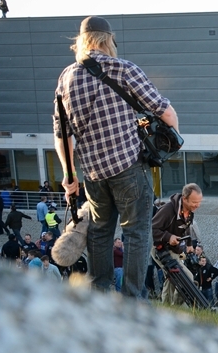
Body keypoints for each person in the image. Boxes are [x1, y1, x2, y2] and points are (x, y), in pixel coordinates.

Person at [55, 16, 179, 299]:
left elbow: (62, 135)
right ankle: (133, 301)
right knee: (136, 234)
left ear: (82, 42)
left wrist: (69, 176)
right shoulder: (123, 69)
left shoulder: (66, 78)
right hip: (129, 168)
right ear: (108, 40)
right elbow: (166, 113)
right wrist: (172, 141)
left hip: (94, 173)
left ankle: (98, 294)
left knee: (99, 232)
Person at [151, 184, 202, 304]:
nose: (197, 205)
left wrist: (189, 244)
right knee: (186, 278)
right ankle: (175, 307)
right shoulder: (168, 210)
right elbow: (151, 229)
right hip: (160, 249)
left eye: (199, 202)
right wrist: (168, 237)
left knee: (172, 278)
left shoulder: (189, 211)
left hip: (174, 249)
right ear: (184, 199)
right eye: (194, 202)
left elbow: (187, 227)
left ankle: (167, 307)